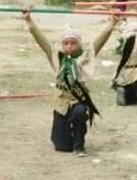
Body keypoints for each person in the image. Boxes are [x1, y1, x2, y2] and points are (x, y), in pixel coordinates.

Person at [23, 10, 115, 157]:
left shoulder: (84, 58)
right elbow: (42, 42)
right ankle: (68, 139)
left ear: (79, 44)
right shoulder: (57, 58)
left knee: (79, 113)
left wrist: (112, 24)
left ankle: (79, 146)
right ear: (62, 44)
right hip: (61, 101)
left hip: (78, 99)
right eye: (66, 43)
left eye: (73, 43)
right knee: (61, 146)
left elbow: (98, 42)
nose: (69, 46)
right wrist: (29, 21)